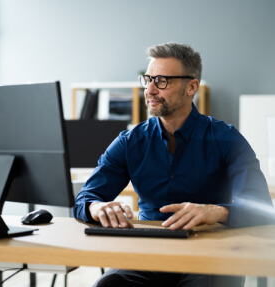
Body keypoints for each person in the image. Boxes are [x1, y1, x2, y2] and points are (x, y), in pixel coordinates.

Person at [73, 42, 274, 287]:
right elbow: (85, 198)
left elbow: (263, 208)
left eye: (162, 81)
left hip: (210, 254)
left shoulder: (227, 139)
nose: (150, 89)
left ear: (191, 87)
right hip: (149, 253)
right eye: (147, 80)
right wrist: (96, 208)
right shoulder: (129, 142)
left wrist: (215, 211)